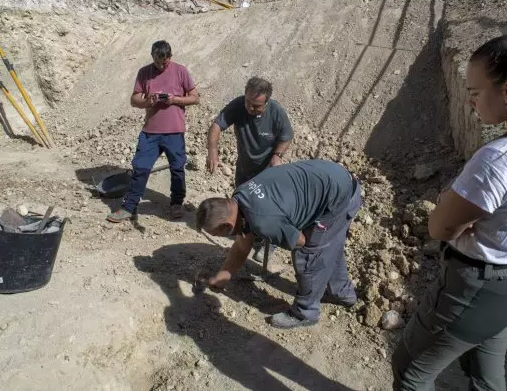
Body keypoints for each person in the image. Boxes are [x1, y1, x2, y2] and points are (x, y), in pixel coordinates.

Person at [392, 22, 507, 390]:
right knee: (486, 377)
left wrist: (445, 206)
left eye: (474, 92)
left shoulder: (498, 158)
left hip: (476, 286)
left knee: (410, 370)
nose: (470, 101)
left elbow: (440, 227)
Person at [195, 159, 362, 329]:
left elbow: (300, 241)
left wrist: (280, 232)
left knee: (308, 255)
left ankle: (306, 312)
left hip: (338, 198)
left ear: (226, 226)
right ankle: (343, 293)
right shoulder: (241, 195)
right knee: (329, 244)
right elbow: (241, 245)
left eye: (218, 234)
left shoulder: (263, 221)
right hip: (332, 178)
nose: (222, 237)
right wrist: (220, 278)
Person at [107, 41, 199, 223]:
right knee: (140, 168)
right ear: (152, 57)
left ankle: (176, 204)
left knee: (177, 169)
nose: (160, 66)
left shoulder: (180, 71)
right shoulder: (144, 72)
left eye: (164, 63)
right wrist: (148, 101)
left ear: (170, 57)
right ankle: (129, 207)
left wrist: (175, 100)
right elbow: (134, 100)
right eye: (157, 62)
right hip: (150, 131)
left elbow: (195, 98)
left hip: (174, 132)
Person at [206, 77, 294, 263]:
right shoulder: (238, 106)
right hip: (245, 169)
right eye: (248, 102)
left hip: (267, 172)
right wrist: (212, 151)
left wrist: (277, 155)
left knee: (269, 209)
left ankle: (271, 242)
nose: (250, 108)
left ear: (267, 102)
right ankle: (249, 236)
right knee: (244, 205)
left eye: (256, 106)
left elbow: (286, 136)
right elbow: (216, 126)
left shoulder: (276, 111)